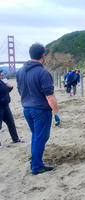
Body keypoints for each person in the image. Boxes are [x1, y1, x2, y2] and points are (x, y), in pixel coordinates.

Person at [16, 43, 60, 175]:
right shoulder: (43, 73)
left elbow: (20, 90)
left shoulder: (20, 72)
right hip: (40, 111)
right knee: (40, 137)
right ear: (43, 55)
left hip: (27, 109)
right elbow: (50, 97)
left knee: (36, 136)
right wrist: (57, 113)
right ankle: (36, 166)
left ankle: (35, 161)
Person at [0, 70, 22, 146]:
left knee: (11, 123)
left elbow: (9, 88)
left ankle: (16, 139)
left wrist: (6, 82)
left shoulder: (2, 82)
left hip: (5, 106)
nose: (1, 74)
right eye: (0, 73)